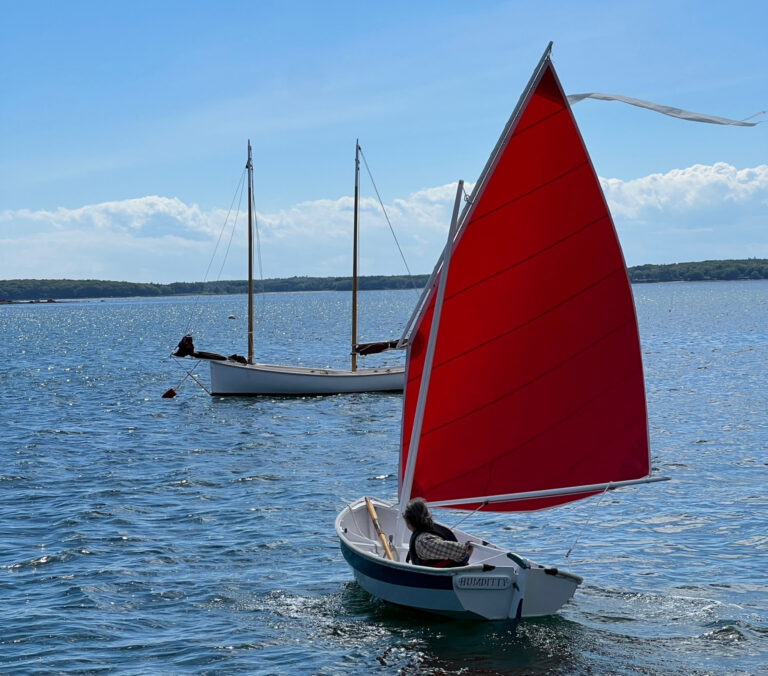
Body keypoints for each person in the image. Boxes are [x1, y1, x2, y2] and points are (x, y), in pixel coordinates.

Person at [403, 497, 473, 567]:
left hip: (448, 575)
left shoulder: (423, 542)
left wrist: (466, 553)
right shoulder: (431, 530)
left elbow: (460, 552)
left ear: (408, 520)